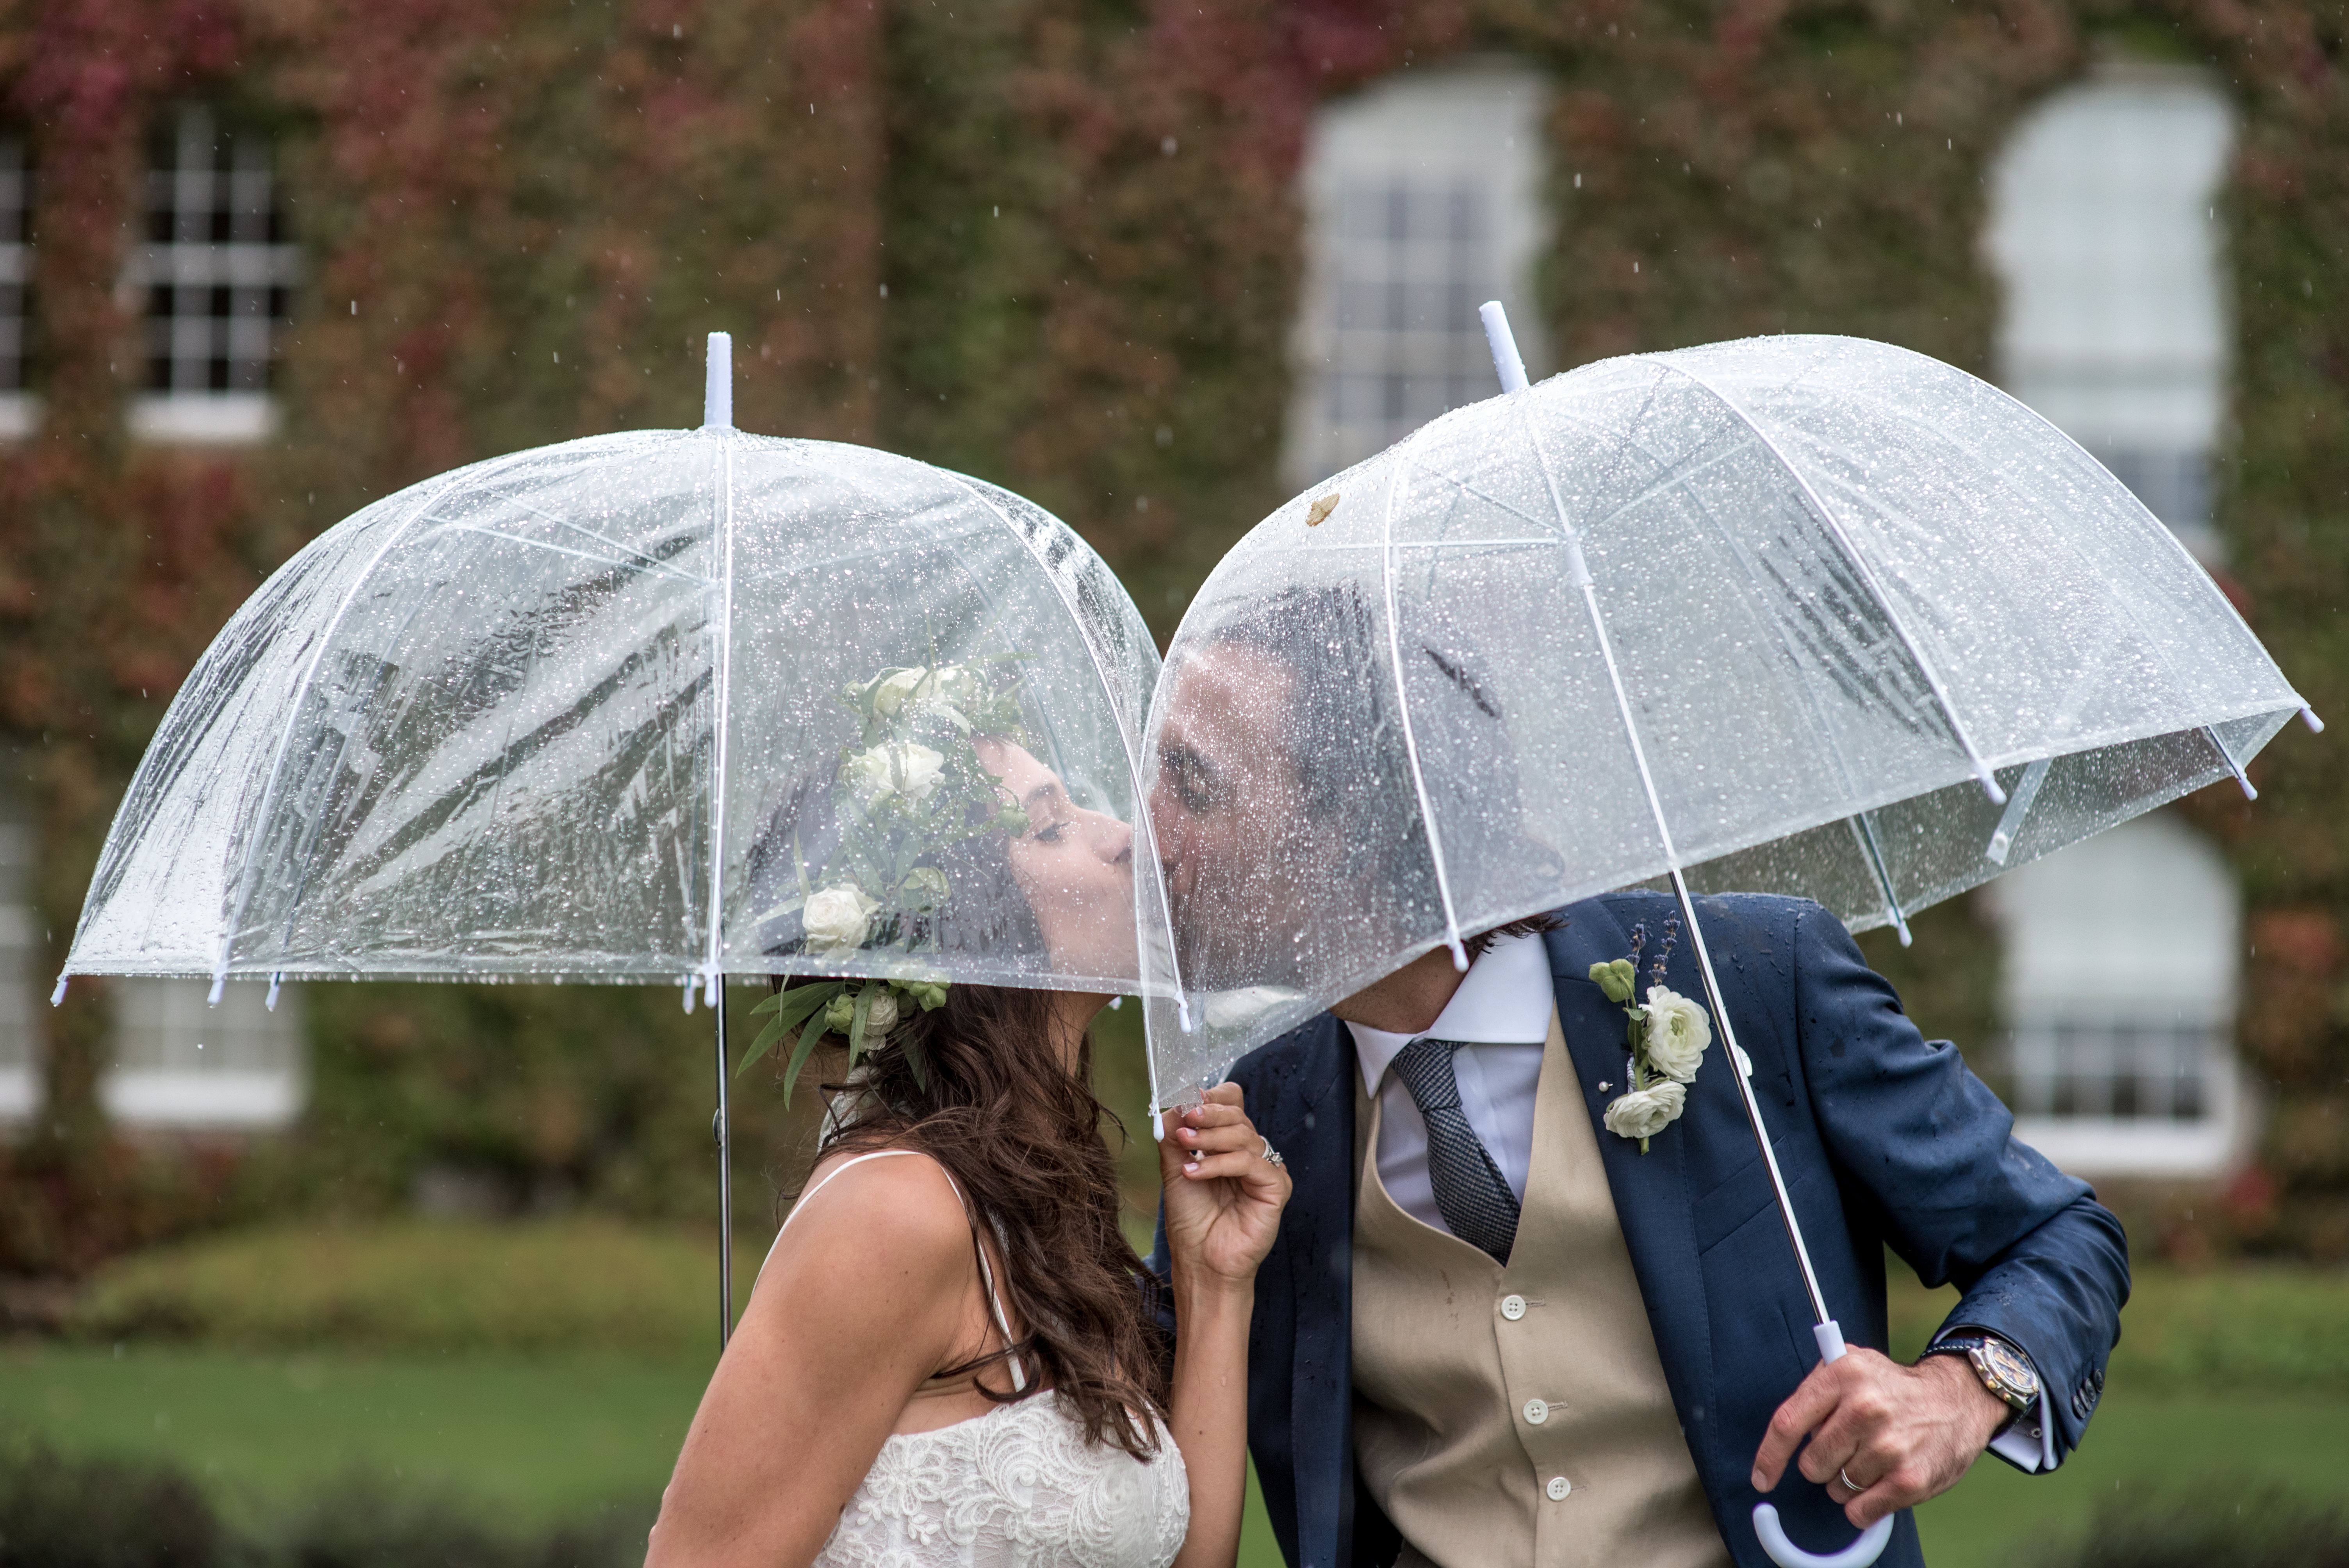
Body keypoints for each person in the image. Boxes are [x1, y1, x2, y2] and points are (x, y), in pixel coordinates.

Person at [1145, 589, 2130, 1568]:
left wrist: (1957, 1391)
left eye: (1190, 785)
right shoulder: (1250, 1109)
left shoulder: (1749, 979)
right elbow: (1122, 1446)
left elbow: (2056, 1235)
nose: (1141, 832)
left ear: (1355, 824)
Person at [649, 669, 1294, 1568]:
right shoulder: (895, 1213)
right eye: (1052, 825)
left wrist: (1214, 1280)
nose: (1122, 841)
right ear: (967, 914)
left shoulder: (1034, 1203)